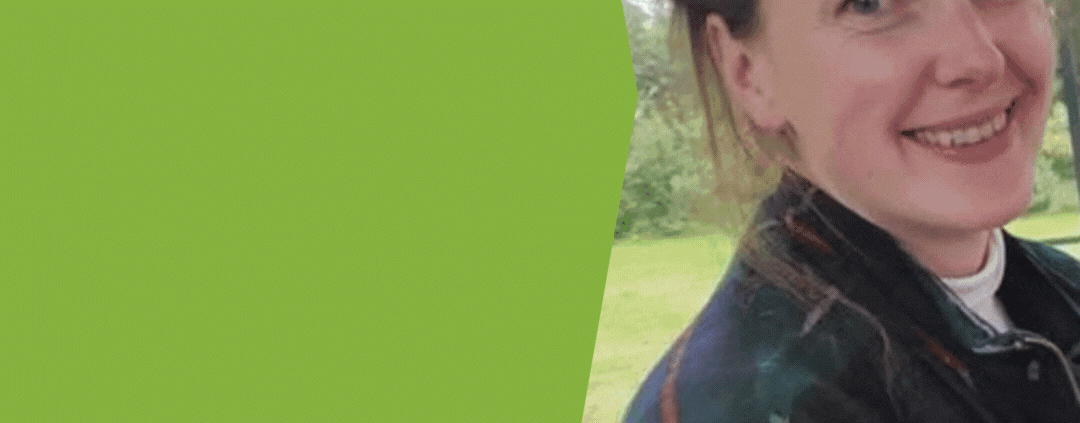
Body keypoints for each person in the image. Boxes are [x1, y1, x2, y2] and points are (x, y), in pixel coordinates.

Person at [624, 0, 1079, 421]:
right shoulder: (742, 404)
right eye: (869, 3)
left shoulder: (1058, 290)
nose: (978, 59)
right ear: (748, 74)